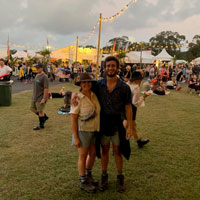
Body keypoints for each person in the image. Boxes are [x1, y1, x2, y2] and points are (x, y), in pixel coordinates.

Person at [93, 56, 133, 193]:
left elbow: (128, 107)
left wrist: (130, 126)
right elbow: (84, 88)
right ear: (105, 68)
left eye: (113, 66)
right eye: (108, 65)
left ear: (117, 68)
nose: (110, 68)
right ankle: (104, 176)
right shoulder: (98, 84)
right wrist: (74, 97)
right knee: (104, 150)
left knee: (117, 151)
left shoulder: (124, 87)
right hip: (103, 123)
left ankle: (120, 177)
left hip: (118, 124)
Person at [70, 73, 101, 193]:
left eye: (89, 82)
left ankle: (88, 175)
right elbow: (73, 118)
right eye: (84, 82)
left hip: (95, 130)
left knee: (92, 154)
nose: (87, 84)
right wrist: (76, 137)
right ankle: (83, 181)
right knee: (83, 156)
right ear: (80, 84)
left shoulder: (94, 95)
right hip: (83, 131)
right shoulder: (77, 97)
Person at [124, 71, 150, 148]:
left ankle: (138, 141)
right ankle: (121, 143)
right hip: (131, 108)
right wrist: (144, 96)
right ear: (137, 79)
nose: (141, 81)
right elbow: (135, 102)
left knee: (132, 125)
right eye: (140, 79)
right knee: (128, 126)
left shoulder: (127, 84)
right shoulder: (136, 87)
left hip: (124, 106)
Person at [30, 63, 49, 130]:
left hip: (41, 96)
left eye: (38, 68)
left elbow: (46, 88)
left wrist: (44, 98)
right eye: (36, 68)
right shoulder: (37, 75)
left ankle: (41, 125)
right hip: (35, 95)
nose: (37, 69)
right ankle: (44, 117)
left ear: (42, 68)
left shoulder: (44, 77)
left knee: (40, 110)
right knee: (32, 109)